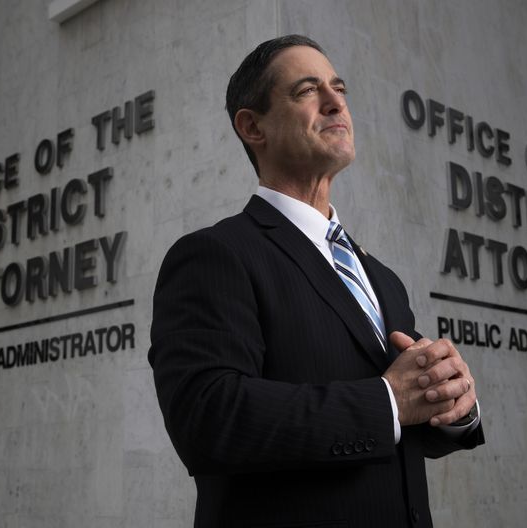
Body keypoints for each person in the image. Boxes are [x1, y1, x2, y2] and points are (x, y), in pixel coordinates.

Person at [148, 35, 485, 528]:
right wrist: (388, 399)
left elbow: (401, 426)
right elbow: (207, 418)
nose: (336, 102)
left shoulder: (383, 279)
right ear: (252, 126)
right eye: (308, 90)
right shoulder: (215, 256)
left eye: (339, 87)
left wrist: (451, 401)